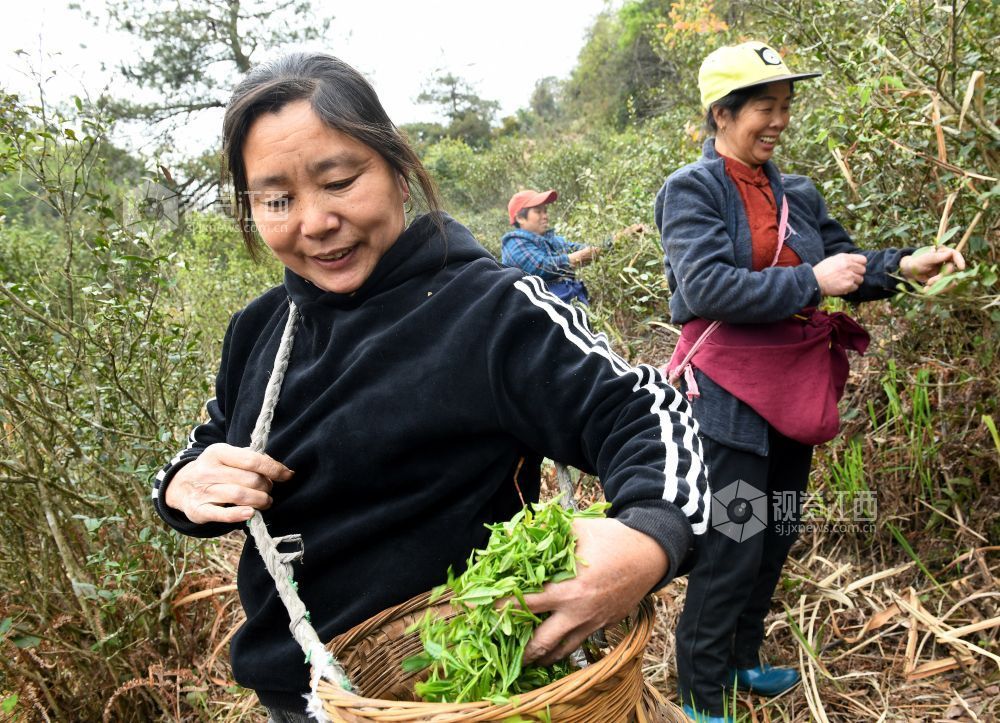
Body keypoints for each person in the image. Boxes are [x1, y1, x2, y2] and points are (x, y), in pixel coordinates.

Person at [152, 53, 710, 721]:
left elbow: (645, 411)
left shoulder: (489, 310)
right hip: (302, 700)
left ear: (395, 166)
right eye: (278, 199)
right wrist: (180, 487)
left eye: (339, 180)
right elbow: (212, 443)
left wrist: (648, 537)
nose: (315, 220)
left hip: (475, 690)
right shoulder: (259, 331)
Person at [654, 41, 965, 723]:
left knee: (776, 531)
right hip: (730, 396)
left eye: (785, 107)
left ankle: (743, 658)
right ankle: (703, 697)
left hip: (790, 389)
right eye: (766, 107)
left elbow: (845, 264)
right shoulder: (692, 190)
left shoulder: (795, 191)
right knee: (733, 543)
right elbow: (704, 286)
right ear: (722, 112)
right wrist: (807, 281)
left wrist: (906, 264)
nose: (779, 121)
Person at [500, 189, 603, 304]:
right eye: (538, 212)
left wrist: (610, 243)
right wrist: (575, 258)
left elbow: (579, 248)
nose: (545, 216)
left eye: (545, 211)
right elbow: (541, 267)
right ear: (520, 218)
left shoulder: (553, 240)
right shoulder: (513, 243)